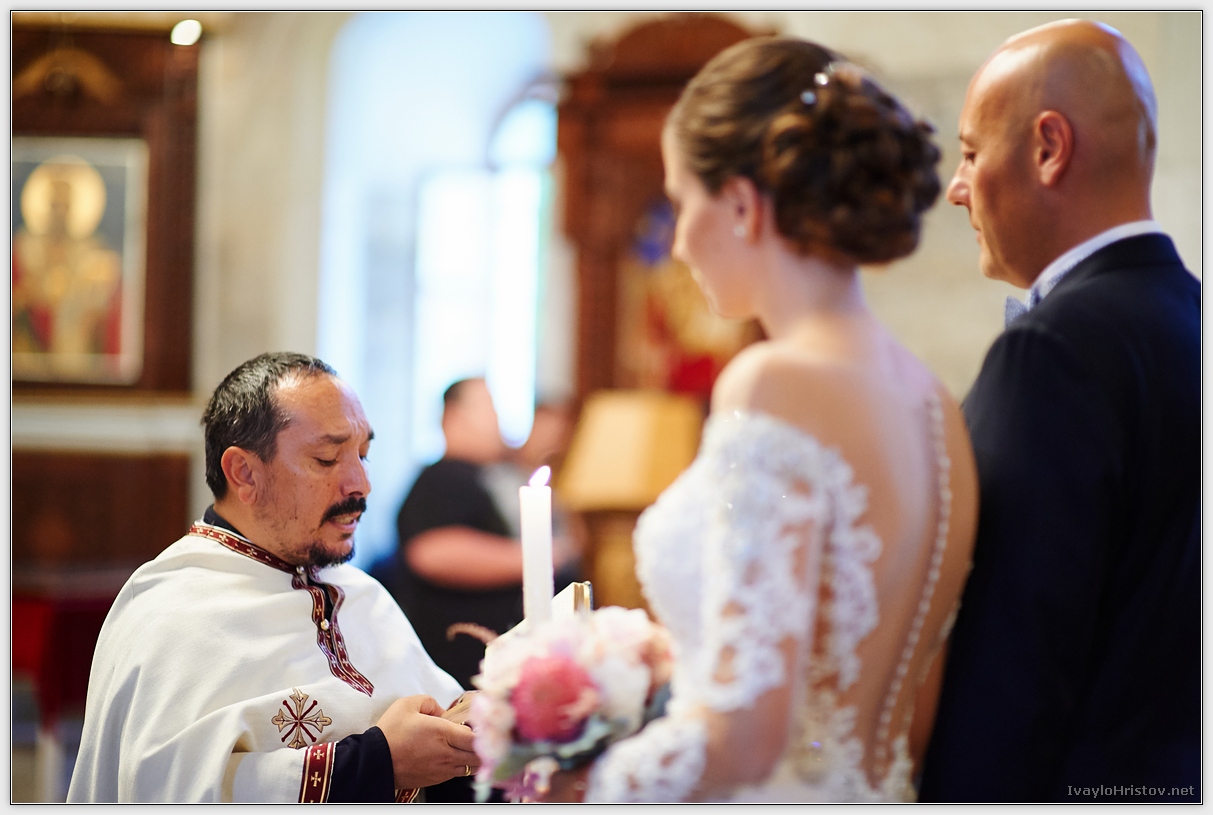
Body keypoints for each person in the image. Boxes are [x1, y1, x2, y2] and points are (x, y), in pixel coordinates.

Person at [543, 36, 979, 802]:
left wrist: (583, 782)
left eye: (683, 203)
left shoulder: (773, 380)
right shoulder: (933, 402)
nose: (678, 244)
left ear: (742, 204)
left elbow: (744, 734)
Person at [917, 20, 1199, 803]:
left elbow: (1009, 671)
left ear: (1047, 147)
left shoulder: (1052, 354)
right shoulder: (1192, 316)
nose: (956, 187)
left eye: (969, 153)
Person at [68, 352, 479, 803]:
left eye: (363, 455)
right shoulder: (171, 615)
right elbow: (166, 792)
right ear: (244, 473)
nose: (361, 483)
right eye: (327, 459)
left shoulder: (363, 594)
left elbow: (447, 738)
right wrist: (378, 761)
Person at [372, 379, 578, 694]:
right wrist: (538, 556)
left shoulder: (484, 474)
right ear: (454, 416)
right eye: (489, 408)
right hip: (465, 671)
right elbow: (433, 552)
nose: (498, 420)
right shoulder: (443, 477)